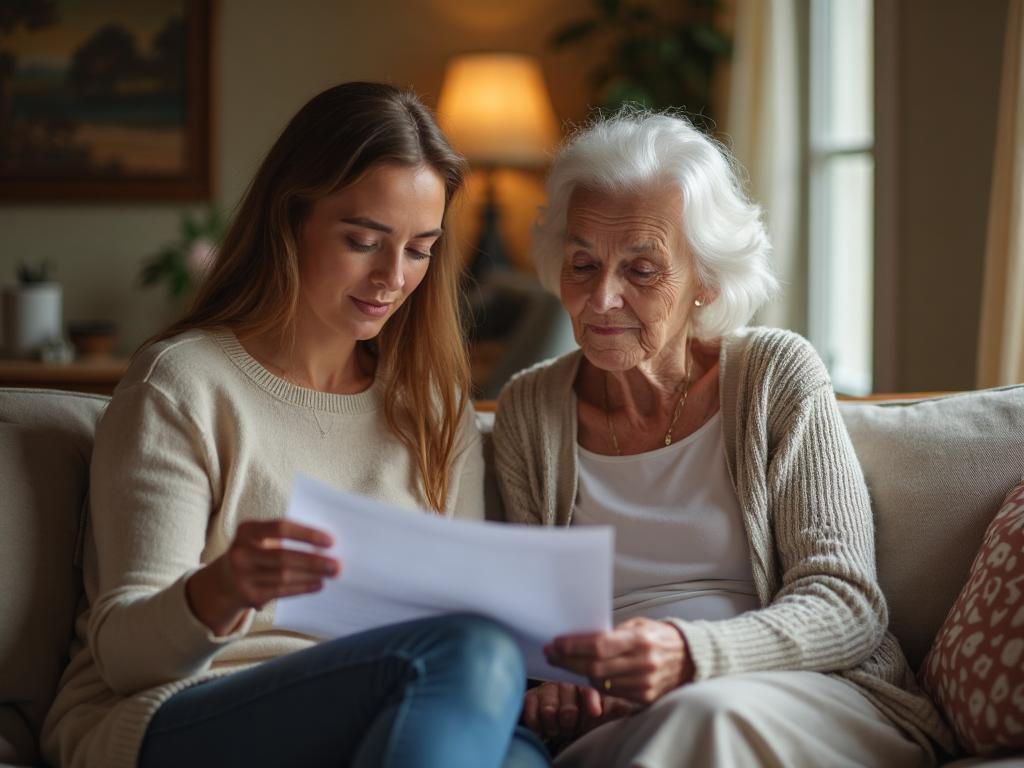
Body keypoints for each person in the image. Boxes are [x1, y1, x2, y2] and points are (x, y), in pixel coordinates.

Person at [41, 82, 549, 768]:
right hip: (180, 710)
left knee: (519, 754)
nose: (392, 278)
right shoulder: (184, 383)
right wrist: (221, 590)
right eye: (363, 240)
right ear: (290, 220)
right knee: (472, 656)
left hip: (381, 708)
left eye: (419, 249)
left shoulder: (432, 404)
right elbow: (126, 657)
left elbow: (457, 619)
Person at [493, 111, 955, 767]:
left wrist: (688, 656)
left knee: (704, 716)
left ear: (706, 281)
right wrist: (557, 688)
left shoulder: (774, 375)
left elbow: (847, 604)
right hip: (622, 722)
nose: (601, 300)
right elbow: (535, 629)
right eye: (583, 263)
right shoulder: (528, 410)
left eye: (642, 270)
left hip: (803, 698)